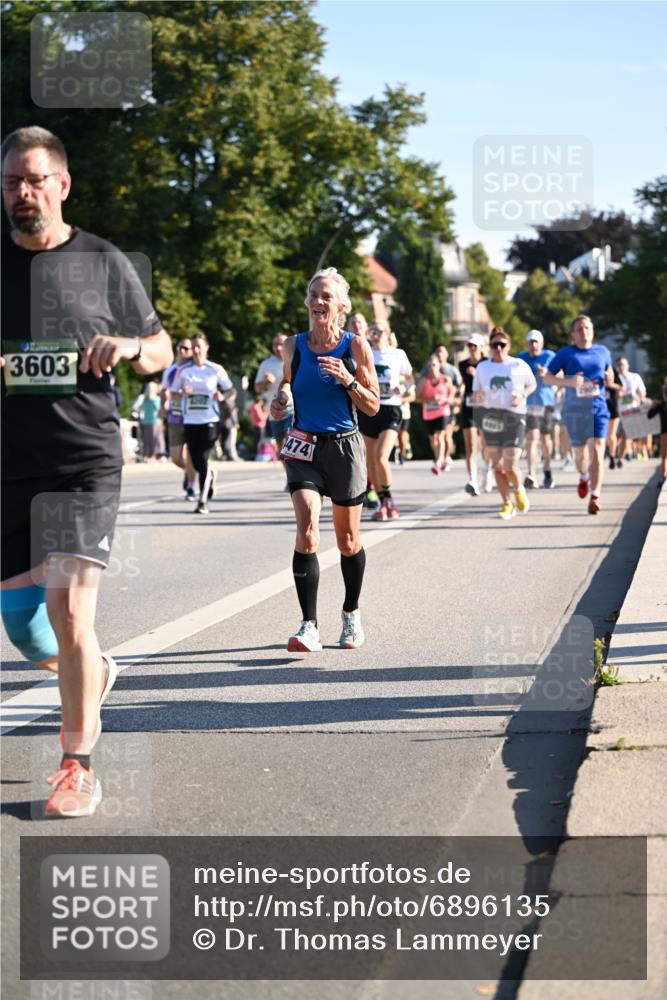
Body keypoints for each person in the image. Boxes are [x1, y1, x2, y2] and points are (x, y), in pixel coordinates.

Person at [0, 126, 173, 818]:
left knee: (69, 610)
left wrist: (131, 347)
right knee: (26, 629)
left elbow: (160, 346)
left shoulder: (103, 261)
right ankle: (94, 672)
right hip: (8, 468)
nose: (22, 193)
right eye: (11, 181)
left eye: (35, 180)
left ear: (62, 185)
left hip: (82, 463)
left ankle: (76, 764)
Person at [269, 267, 379, 652]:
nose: (318, 301)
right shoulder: (294, 345)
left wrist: (348, 380)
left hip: (345, 447)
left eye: (326, 296)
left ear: (341, 306)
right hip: (303, 446)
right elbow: (287, 381)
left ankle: (351, 614)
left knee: (348, 541)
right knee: (308, 527)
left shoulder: (355, 347)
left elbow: (374, 404)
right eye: (313, 295)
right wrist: (282, 399)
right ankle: (308, 625)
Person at [544, 315, 614, 515]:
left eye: (587, 327)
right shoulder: (566, 353)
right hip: (574, 412)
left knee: (598, 450)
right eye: (580, 328)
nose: (584, 331)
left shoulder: (603, 352)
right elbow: (548, 378)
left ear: (592, 331)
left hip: (598, 409)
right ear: (573, 333)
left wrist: (610, 377)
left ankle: (595, 495)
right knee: (580, 456)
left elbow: (609, 375)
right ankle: (584, 476)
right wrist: (569, 382)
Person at [472, 328, 536, 520]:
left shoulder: (518, 364)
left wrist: (522, 394)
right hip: (491, 416)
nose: (498, 348)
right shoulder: (483, 368)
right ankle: (507, 503)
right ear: (490, 347)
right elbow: (477, 392)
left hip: (514, 416)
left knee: (509, 463)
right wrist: (478, 397)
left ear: (508, 346)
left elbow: (532, 384)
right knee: (497, 465)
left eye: (502, 345)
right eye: (494, 345)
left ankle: (518, 489)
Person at [170, 333, 234, 514]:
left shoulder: (215, 369)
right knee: (197, 461)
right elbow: (173, 393)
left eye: (199, 346)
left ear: (207, 347)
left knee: (204, 458)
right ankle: (210, 477)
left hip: (210, 420)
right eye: (193, 347)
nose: (196, 350)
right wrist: (182, 392)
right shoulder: (183, 371)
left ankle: (202, 500)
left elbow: (230, 391)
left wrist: (222, 396)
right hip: (190, 420)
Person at [358, 319, 413, 521]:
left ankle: (389, 500)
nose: (375, 334)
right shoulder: (364, 352)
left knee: (381, 456)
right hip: (369, 409)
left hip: (391, 408)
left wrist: (404, 388)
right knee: (371, 460)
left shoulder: (398, 354)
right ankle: (382, 504)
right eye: (372, 331)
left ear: (388, 333)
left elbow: (410, 379)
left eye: (379, 331)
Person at [518, 330, 556, 489]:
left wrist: (546, 373)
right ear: (527, 344)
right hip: (528, 403)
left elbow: (559, 374)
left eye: (536, 342)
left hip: (546, 401)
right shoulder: (521, 358)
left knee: (545, 440)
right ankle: (531, 474)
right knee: (532, 438)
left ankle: (547, 470)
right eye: (530, 342)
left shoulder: (549, 356)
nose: (533, 345)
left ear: (541, 343)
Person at [161, 339, 197, 498]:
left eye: (186, 348)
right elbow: (165, 390)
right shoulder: (170, 370)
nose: (182, 351)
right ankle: (199, 470)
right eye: (180, 347)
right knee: (175, 457)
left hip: (193, 417)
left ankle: (191, 487)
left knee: (191, 454)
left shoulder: (195, 369)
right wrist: (163, 406)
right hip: (175, 416)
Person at [458, 333, 490, 495]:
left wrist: (476, 374)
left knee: (485, 445)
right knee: (470, 446)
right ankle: (472, 480)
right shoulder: (462, 364)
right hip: (469, 407)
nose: (471, 349)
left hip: (485, 408)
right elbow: (464, 383)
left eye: (474, 346)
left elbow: (490, 384)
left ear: (481, 347)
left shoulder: (487, 363)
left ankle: (488, 471)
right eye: (469, 346)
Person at [416, 355, 454, 474]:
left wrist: (447, 400)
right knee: (433, 440)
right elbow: (416, 398)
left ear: (439, 365)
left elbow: (452, 393)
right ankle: (439, 458)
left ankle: (438, 462)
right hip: (429, 414)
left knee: (440, 436)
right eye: (430, 365)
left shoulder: (446, 379)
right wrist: (429, 399)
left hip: (443, 411)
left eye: (434, 365)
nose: (432, 367)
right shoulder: (423, 381)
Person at [255, 333, 293, 452]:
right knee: (281, 449)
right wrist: (266, 382)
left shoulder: (295, 360)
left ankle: (295, 468)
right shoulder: (266, 364)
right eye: (275, 344)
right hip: (274, 412)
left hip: (293, 410)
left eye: (281, 344)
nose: (278, 348)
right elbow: (257, 388)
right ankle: (288, 470)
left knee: (290, 442)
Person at [647, 378, 667, 486]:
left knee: (664, 456)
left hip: (664, 433)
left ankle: (663, 476)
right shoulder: (661, 405)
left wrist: (652, 406)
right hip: (664, 433)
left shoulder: (661, 405)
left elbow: (649, 415)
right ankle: (663, 476)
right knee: (664, 456)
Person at [138, 380, 164, 461]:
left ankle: (147, 455)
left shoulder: (144, 399)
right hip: (155, 421)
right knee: (157, 439)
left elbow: (141, 409)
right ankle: (156, 455)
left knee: (147, 440)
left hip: (146, 421)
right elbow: (159, 409)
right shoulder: (156, 399)